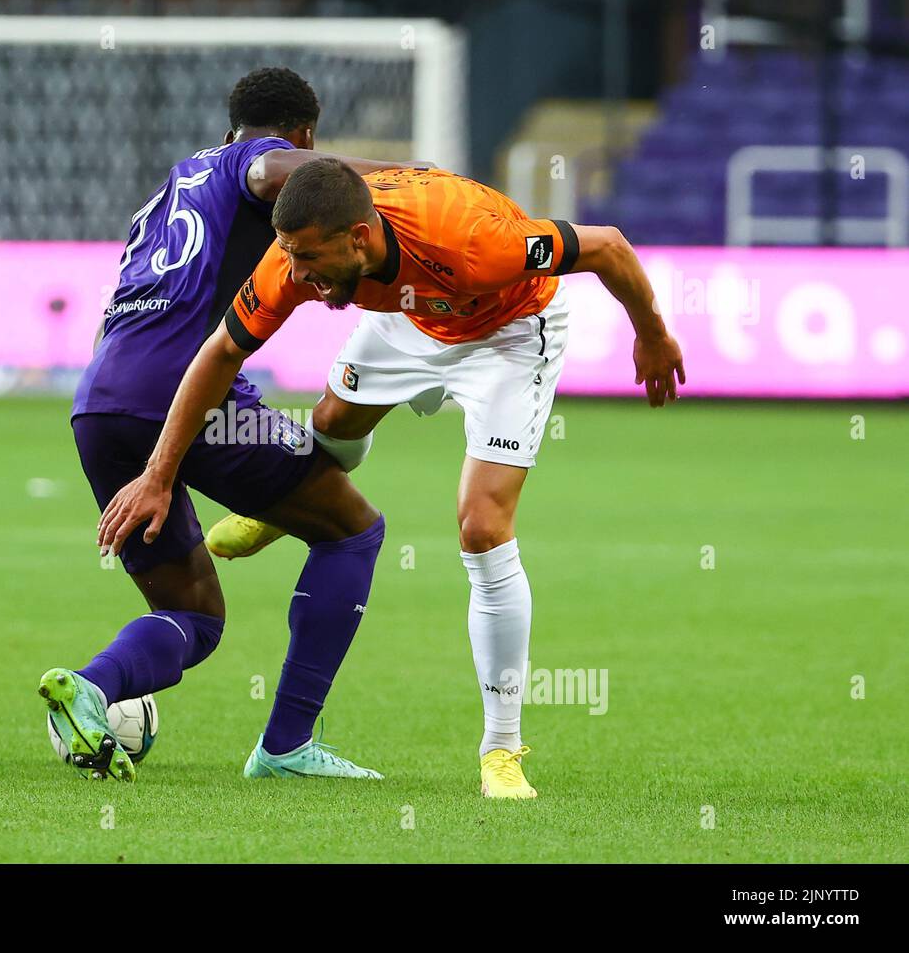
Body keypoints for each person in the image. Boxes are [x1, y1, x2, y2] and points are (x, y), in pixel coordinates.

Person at [97, 159, 686, 798]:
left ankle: (502, 751)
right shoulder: (298, 254)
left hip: (509, 332)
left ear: (359, 237)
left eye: (310, 260)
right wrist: (160, 472)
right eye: (290, 257)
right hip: (408, 318)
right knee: (331, 420)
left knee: (483, 528)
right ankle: (279, 508)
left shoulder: (473, 243)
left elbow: (608, 246)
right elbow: (221, 352)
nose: (299, 276)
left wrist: (651, 332)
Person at [44, 69, 421, 782]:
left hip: (101, 402)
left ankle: (91, 688)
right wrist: (414, 179)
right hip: (191, 397)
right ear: (305, 137)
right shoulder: (256, 162)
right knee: (352, 529)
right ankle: (286, 747)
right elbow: (273, 168)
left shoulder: (167, 192)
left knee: (195, 618)